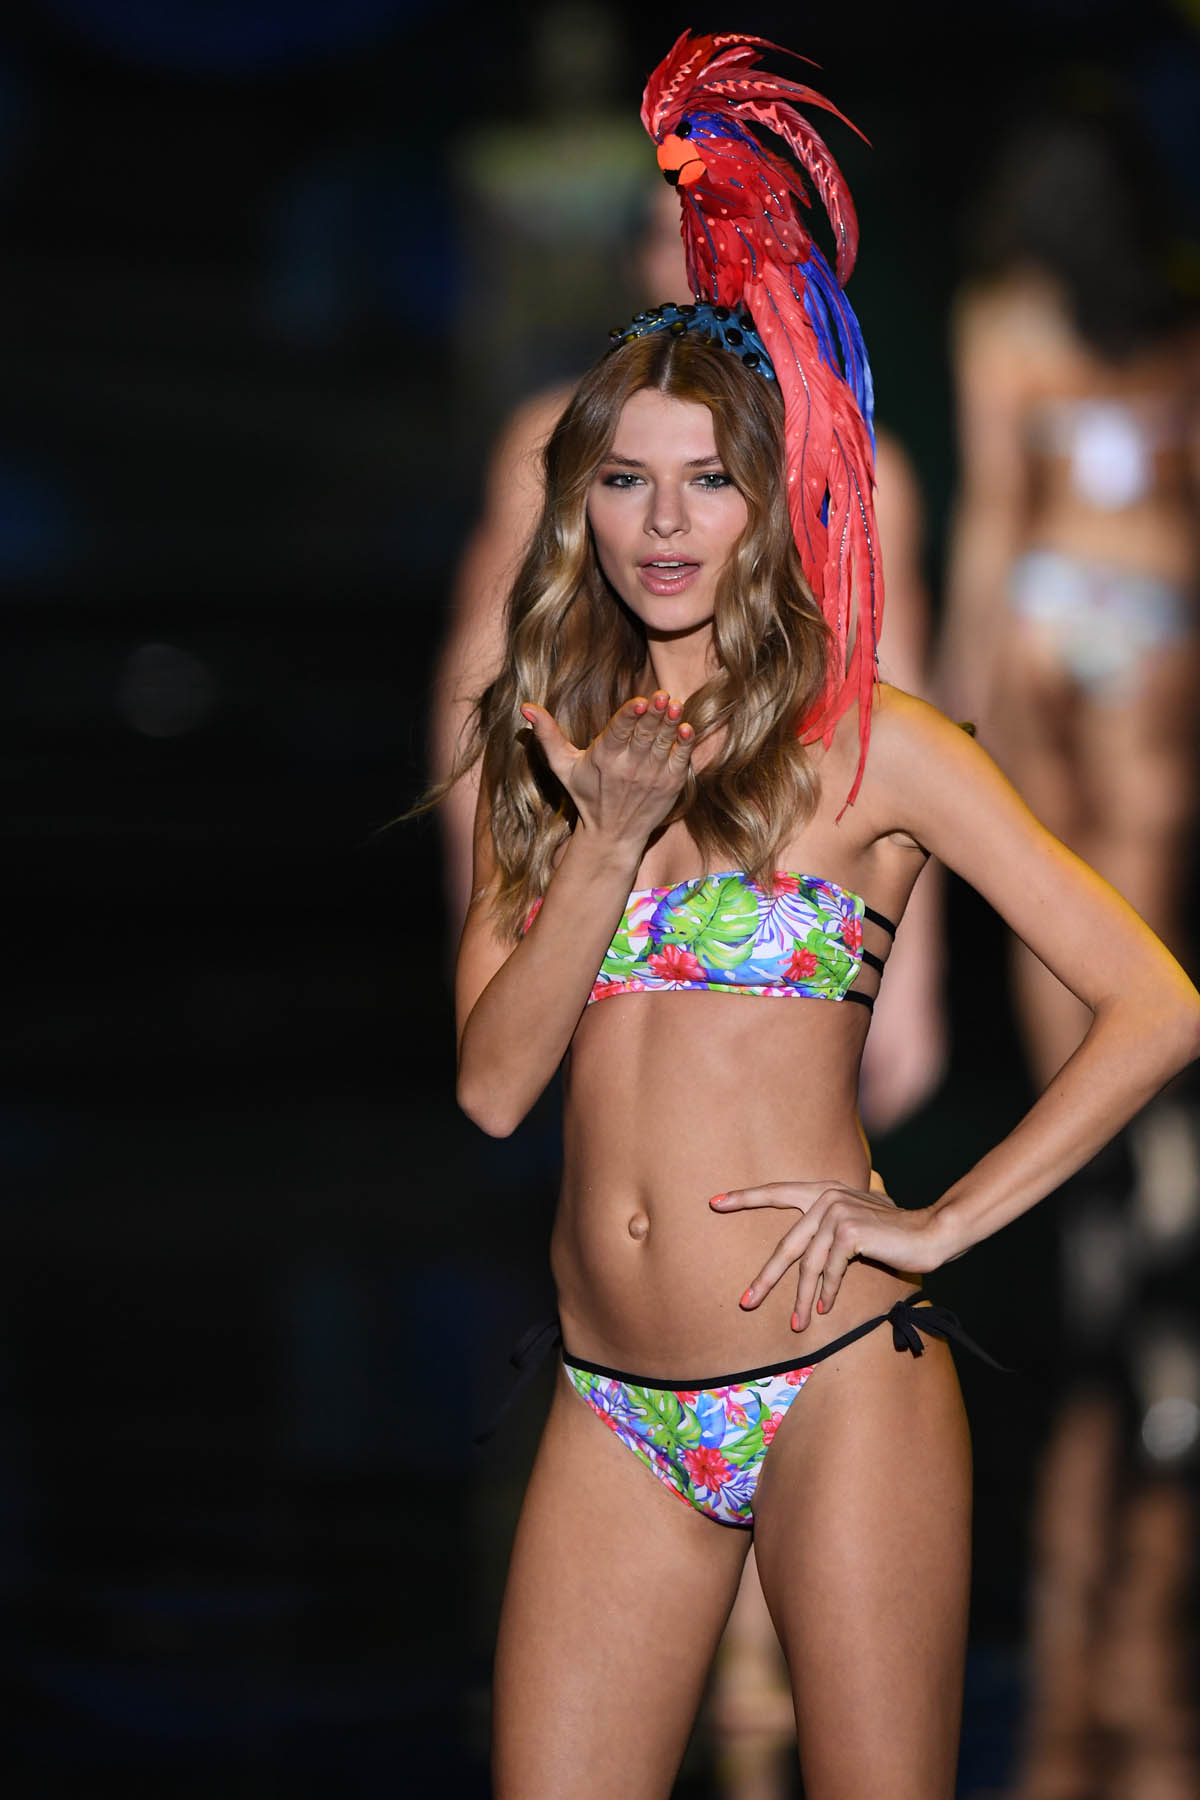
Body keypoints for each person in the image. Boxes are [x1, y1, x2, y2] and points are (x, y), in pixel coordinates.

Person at [433, 35, 1200, 1798]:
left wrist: (940, 1222)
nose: (664, 524)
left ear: (771, 502)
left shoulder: (877, 750)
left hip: (837, 1373)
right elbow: (490, 1088)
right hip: (610, 1405)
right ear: (580, 503)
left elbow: (1157, 999)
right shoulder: (550, 746)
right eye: (626, 480)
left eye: (708, 480)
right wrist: (607, 843)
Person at [940, 101, 1200, 1799]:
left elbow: (988, 517)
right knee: (1149, 921)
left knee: (1063, 930)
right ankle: (1153, 1197)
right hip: (1160, 617)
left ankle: (1102, 1206)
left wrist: (957, 709)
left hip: (1050, 618)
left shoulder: (1003, 314)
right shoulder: (1170, 322)